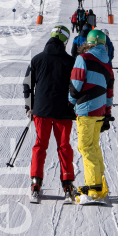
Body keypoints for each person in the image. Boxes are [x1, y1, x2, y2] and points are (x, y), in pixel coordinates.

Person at [23, 26, 76, 201]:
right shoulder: (71, 61)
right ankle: (67, 184)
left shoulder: (37, 59)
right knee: (64, 147)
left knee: (40, 145)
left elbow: (27, 85)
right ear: (65, 41)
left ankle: (35, 183)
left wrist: (29, 107)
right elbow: (76, 87)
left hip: (41, 110)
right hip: (63, 112)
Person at [69, 29, 114, 202]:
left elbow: (75, 83)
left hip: (86, 110)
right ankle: (99, 184)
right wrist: (107, 113)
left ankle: (94, 188)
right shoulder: (107, 64)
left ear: (88, 42)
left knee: (86, 147)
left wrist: (70, 103)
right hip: (99, 111)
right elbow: (110, 93)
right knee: (94, 146)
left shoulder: (83, 59)